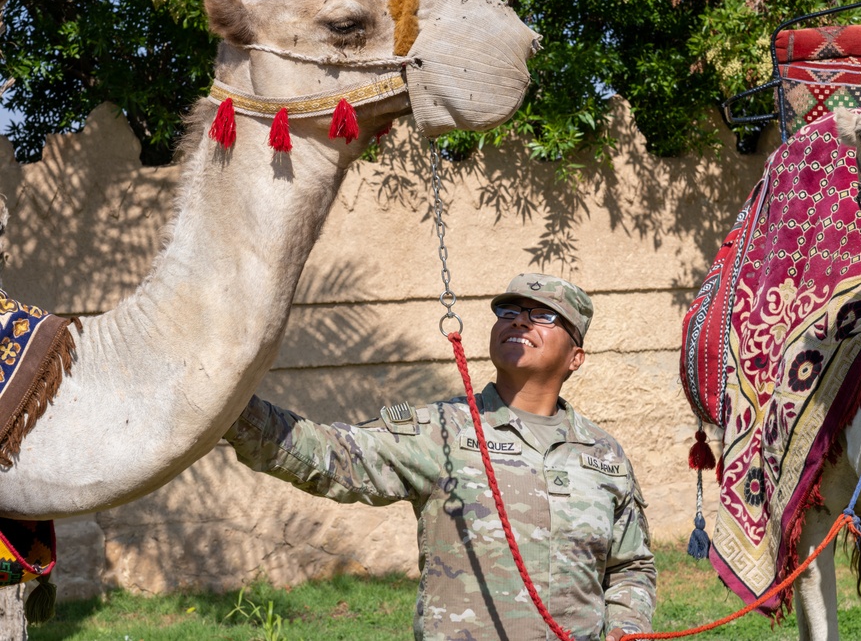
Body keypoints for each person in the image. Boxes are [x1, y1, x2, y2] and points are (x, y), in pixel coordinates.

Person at [225, 272, 657, 640]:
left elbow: (631, 565)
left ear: (575, 357)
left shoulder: (603, 455)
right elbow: (328, 456)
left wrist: (628, 628)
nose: (520, 321)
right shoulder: (441, 430)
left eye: (543, 315)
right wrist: (226, 407)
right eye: (509, 312)